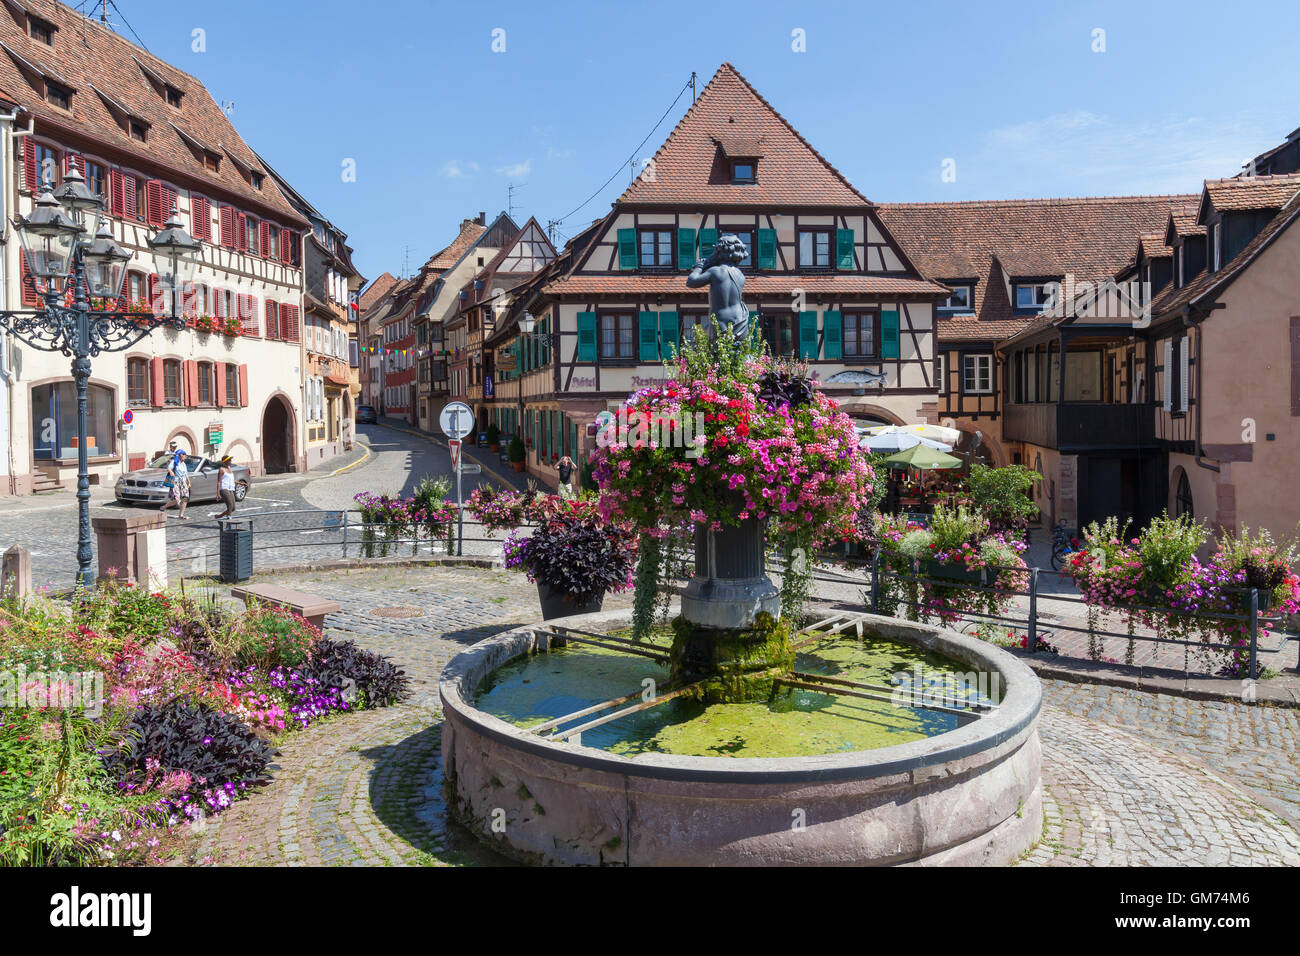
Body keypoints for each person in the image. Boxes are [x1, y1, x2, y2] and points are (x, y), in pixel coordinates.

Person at [159, 442, 190, 520]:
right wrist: (171, 472)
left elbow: (186, 474)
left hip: (183, 482)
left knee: (185, 498)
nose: (185, 456)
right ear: (180, 455)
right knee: (176, 499)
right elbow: (168, 468)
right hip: (176, 482)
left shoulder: (184, 464)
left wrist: (188, 482)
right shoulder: (174, 462)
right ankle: (164, 507)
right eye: (184, 454)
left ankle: (181, 515)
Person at [213, 455, 237, 519]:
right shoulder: (221, 469)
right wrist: (218, 494)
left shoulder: (229, 468)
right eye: (229, 460)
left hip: (230, 488)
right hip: (224, 489)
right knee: (230, 506)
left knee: (233, 508)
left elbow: (230, 479)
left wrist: (240, 483)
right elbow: (218, 482)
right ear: (225, 461)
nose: (231, 461)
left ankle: (219, 516)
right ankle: (228, 523)